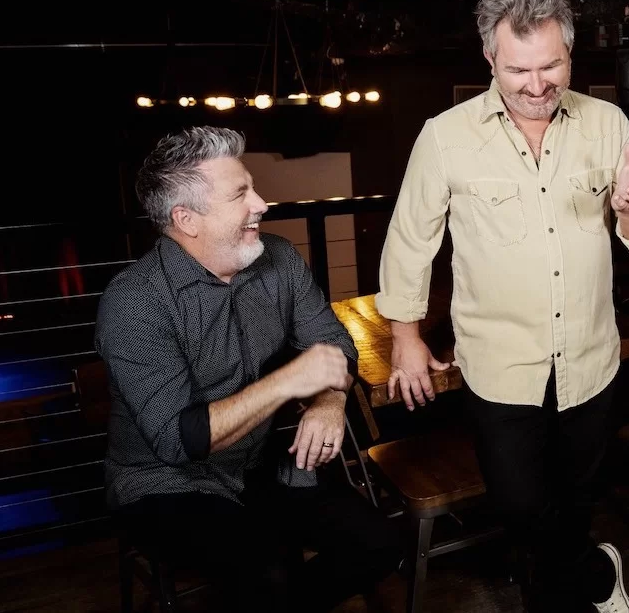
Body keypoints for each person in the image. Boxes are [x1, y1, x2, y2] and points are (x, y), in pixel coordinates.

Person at [374, 0, 629, 613]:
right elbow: (410, 241)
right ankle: (596, 576)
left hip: (590, 358)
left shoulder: (607, 124)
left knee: (578, 498)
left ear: (570, 51)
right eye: (518, 70)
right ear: (489, 57)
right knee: (519, 506)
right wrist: (405, 337)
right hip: (501, 365)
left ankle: (565, 592)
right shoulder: (443, 138)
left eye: (551, 65)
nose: (537, 85)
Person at [97, 126, 404, 613]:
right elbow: (181, 441)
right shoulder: (135, 303)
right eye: (240, 194)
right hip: (163, 482)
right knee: (265, 573)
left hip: (258, 463)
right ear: (186, 219)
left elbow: (335, 342)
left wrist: (328, 401)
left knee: (380, 544)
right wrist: (290, 380)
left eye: (253, 187)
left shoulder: (278, 258)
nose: (261, 203)